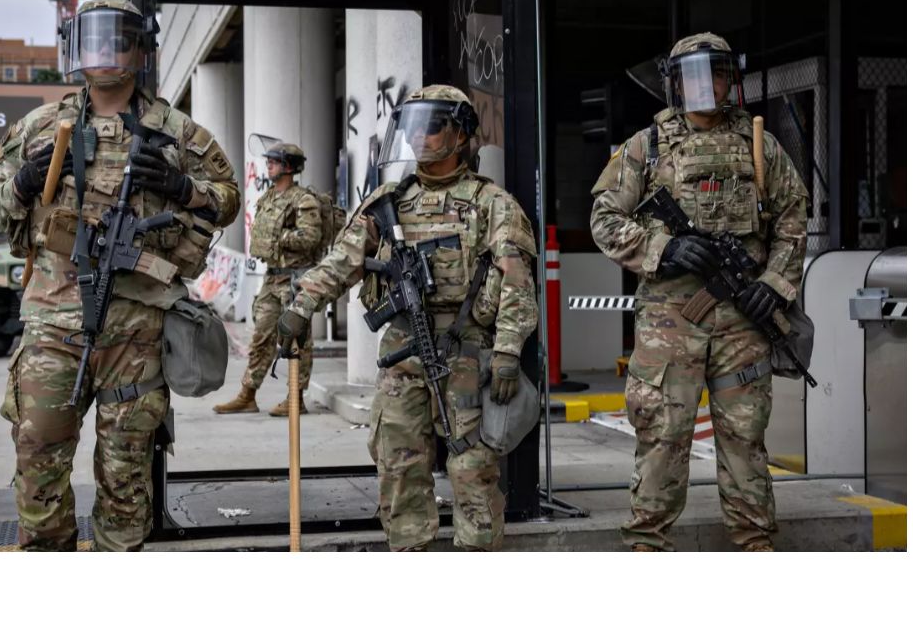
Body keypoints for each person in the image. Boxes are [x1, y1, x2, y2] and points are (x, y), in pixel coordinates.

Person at [0, 0, 240, 551]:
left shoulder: (177, 131)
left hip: (136, 332)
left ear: (139, 51)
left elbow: (228, 200)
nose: (104, 52)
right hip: (54, 327)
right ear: (77, 48)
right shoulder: (42, 127)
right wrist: (23, 182)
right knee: (38, 460)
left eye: (118, 40)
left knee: (126, 477)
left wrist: (182, 187)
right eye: (93, 40)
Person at [276, 85, 538, 551]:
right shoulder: (390, 201)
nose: (419, 136)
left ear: (461, 134)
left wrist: (508, 350)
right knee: (398, 462)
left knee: (471, 467)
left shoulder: (492, 203)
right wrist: (301, 307)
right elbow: (343, 260)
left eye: (432, 126)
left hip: (465, 352)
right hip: (402, 350)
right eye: (414, 126)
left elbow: (516, 282)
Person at [589, 32, 809, 552]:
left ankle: (754, 541)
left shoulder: (760, 145)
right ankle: (647, 542)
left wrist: (774, 284)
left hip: (743, 318)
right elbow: (604, 219)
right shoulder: (646, 147)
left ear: (731, 80)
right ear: (675, 85)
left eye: (716, 74)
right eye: (694, 76)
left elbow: (792, 218)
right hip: (670, 322)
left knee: (745, 438)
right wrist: (664, 247)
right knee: (662, 434)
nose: (706, 86)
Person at [213, 142, 322, 417]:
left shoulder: (303, 200)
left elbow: (311, 237)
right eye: (269, 161)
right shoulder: (269, 197)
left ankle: (296, 398)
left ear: (288, 166)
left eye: (274, 161)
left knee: (297, 340)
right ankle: (247, 395)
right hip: (272, 279)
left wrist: (278, 238)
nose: (268, 165)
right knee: (261, 337)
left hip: (295, 281)